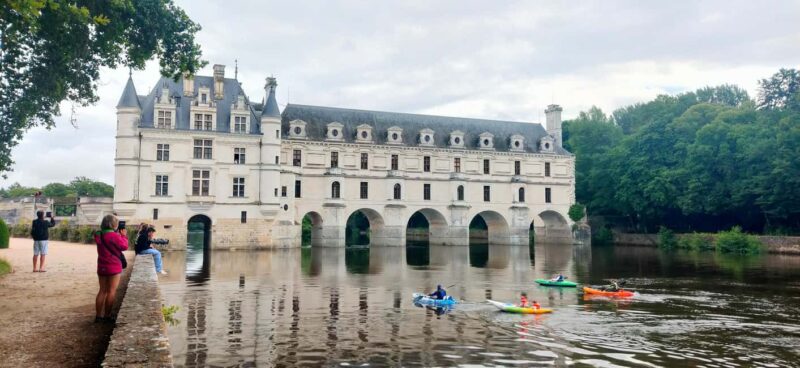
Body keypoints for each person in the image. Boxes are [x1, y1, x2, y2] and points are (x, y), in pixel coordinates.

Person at [94, 214, 128, 323]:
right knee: (111, 291)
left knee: (102, 291)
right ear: (113, 224)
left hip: (102, 265)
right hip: (113, 266)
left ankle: (98, 316)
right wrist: (123, 236)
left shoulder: (98, 234)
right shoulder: (114, 236)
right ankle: (107, 316)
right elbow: (124, 246)